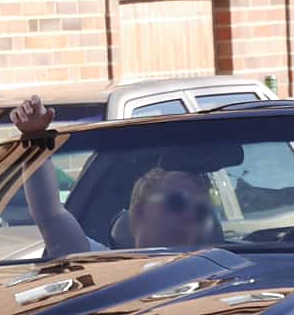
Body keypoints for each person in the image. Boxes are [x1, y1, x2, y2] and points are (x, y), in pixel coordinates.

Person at [12, 95, 213, 257]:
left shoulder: (219, 274)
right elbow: (49, 213)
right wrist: (35, 137)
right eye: (177, 202)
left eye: (200, 211)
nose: (189, 216)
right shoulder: (101, 265)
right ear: (139, 212)